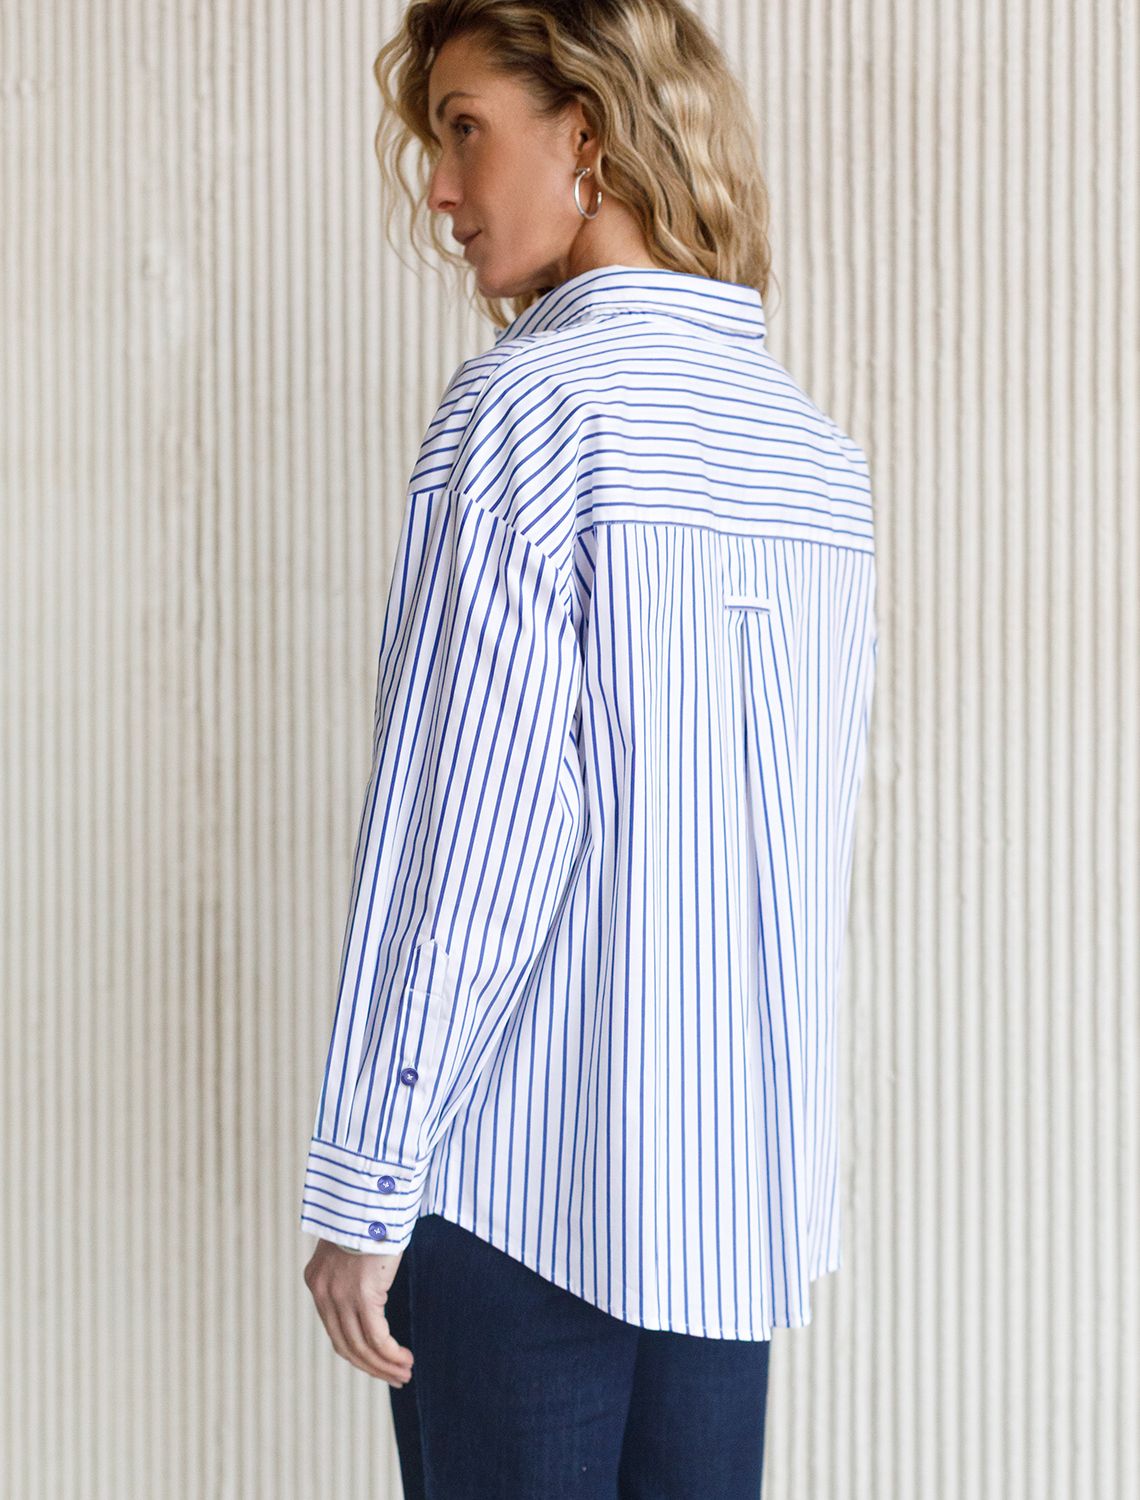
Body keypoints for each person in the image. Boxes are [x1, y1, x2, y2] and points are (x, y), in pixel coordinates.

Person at [300, 2, 879, 1495]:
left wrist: (365, 1182)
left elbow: (466, 839)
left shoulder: (527, 412)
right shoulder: (811, 451)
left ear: (591, 132)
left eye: (464, 129)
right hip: (724, 1208)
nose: (440, 188)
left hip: (522, 1199)